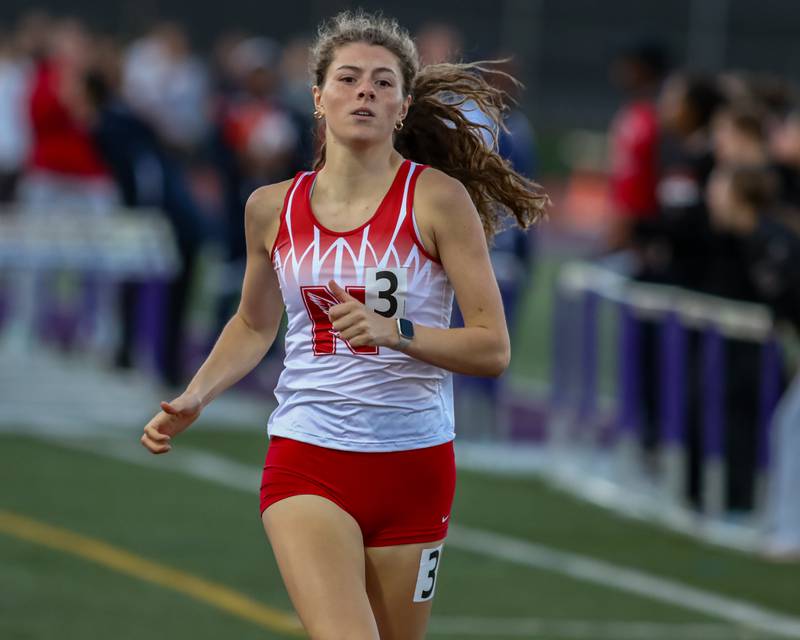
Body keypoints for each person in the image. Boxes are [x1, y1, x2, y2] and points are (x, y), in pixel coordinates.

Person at [140, 10, 548, 639]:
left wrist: (396, 331)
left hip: (415, 464)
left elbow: (492, 348)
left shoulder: (438, 200)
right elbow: (253, 325)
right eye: (349, 78)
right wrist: (197, 394)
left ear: (403, 106)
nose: (365, 92)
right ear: (318, 97)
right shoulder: (270, 207)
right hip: (309, 458)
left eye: (383, 83)